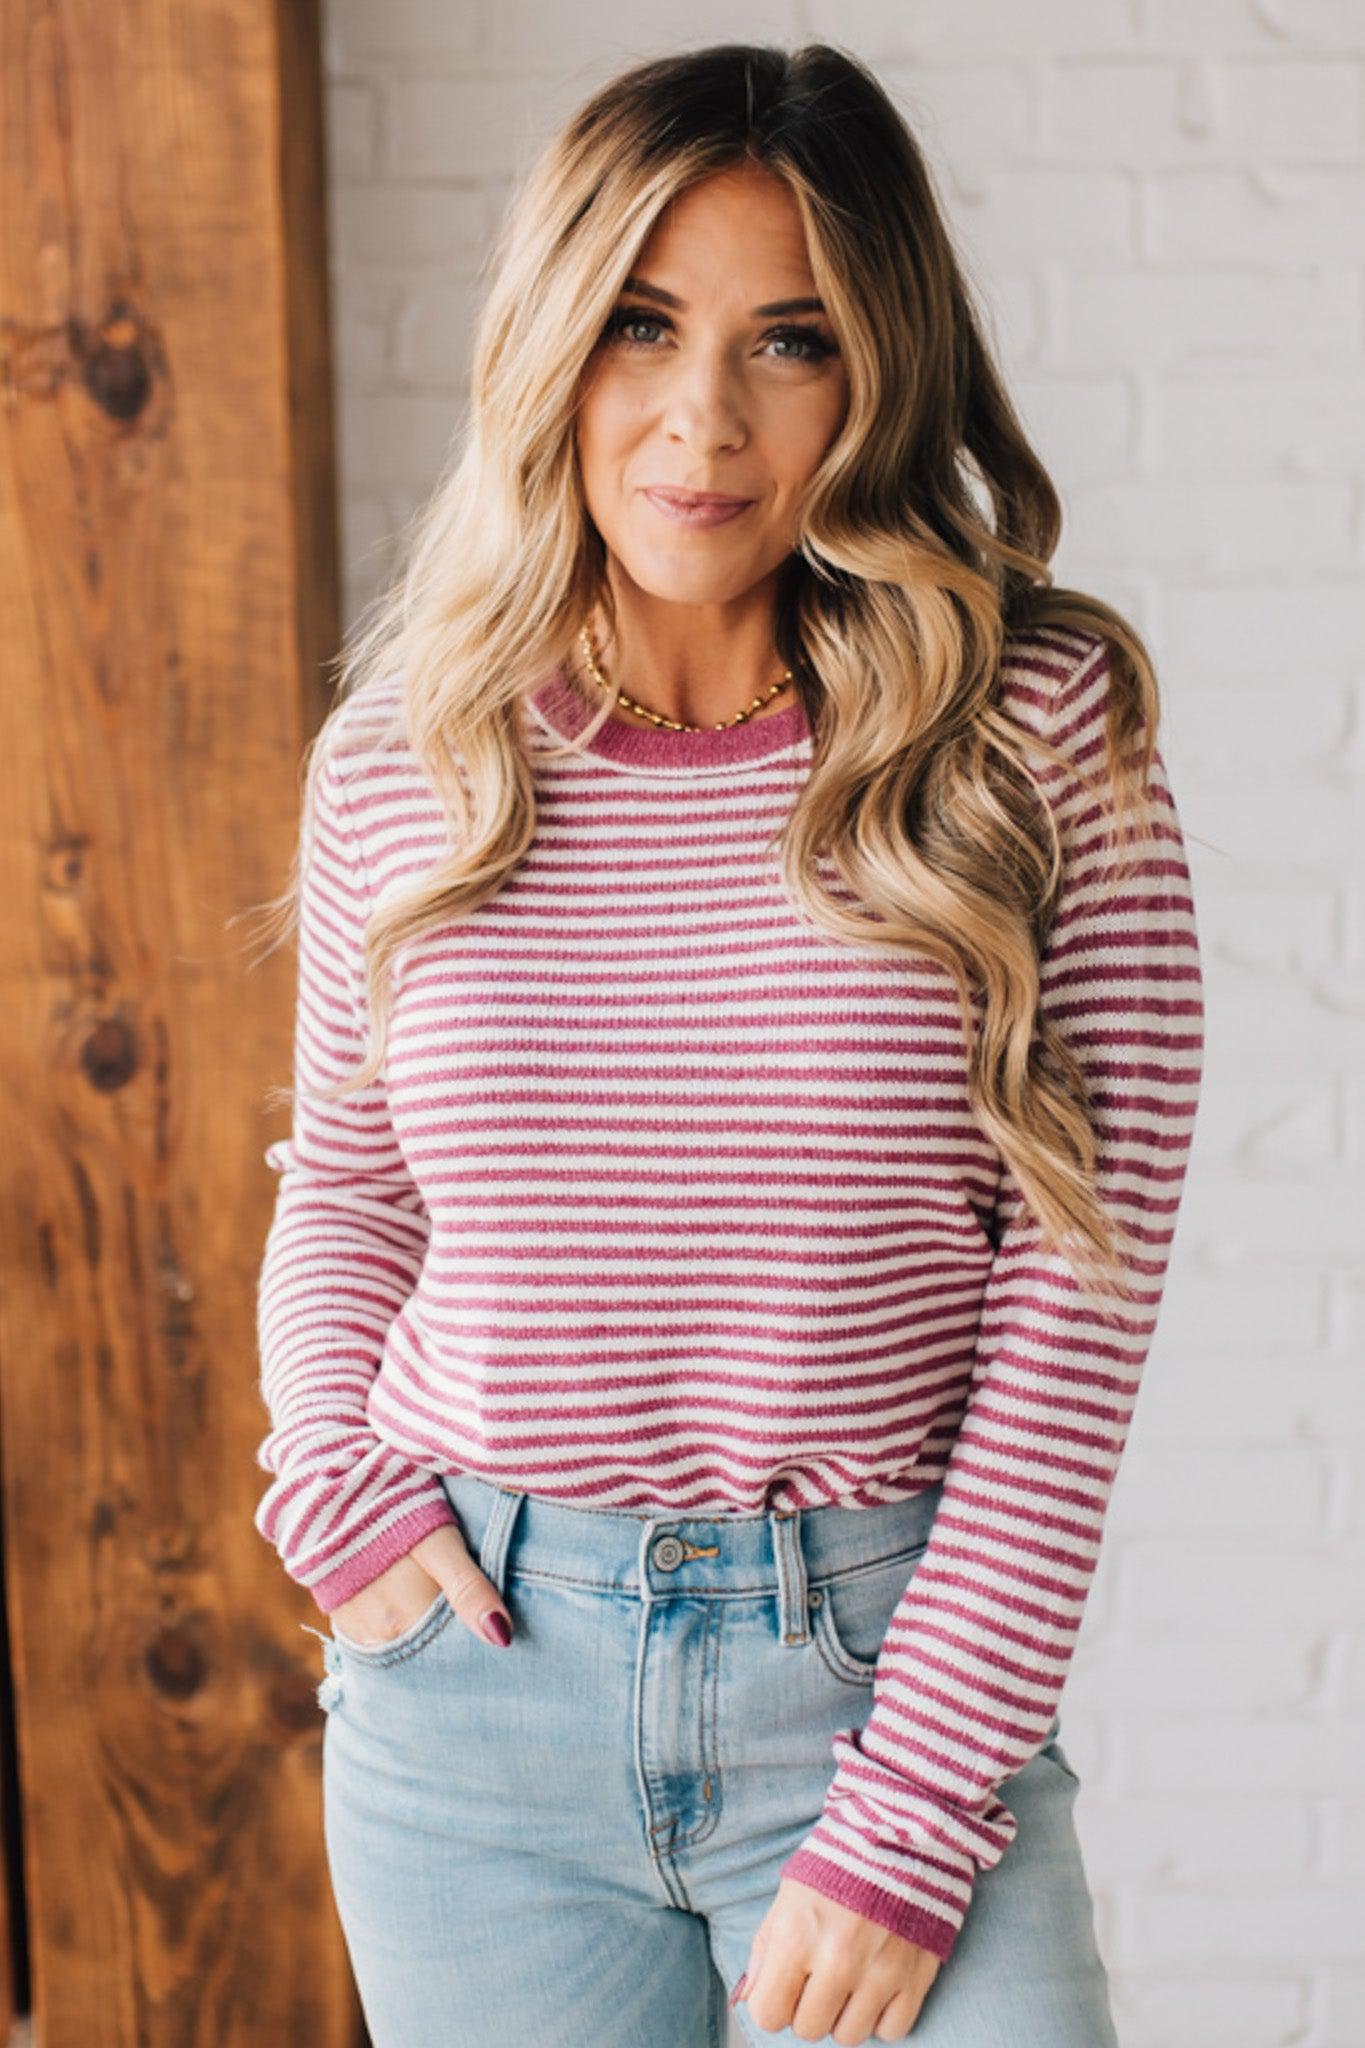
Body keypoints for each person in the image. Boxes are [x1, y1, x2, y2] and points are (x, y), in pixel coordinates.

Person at [250, 40, 1204, 2048]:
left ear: (878, 371)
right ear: (548, 345)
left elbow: (1074, 1293)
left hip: (874, 1674)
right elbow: (349, 1175)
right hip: (474, 1707)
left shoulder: (1035, 734)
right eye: (639, 327)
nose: (702, 422)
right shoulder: (400, 760)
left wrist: (913, 1803)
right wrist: (330, 1476)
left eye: (789, 342)